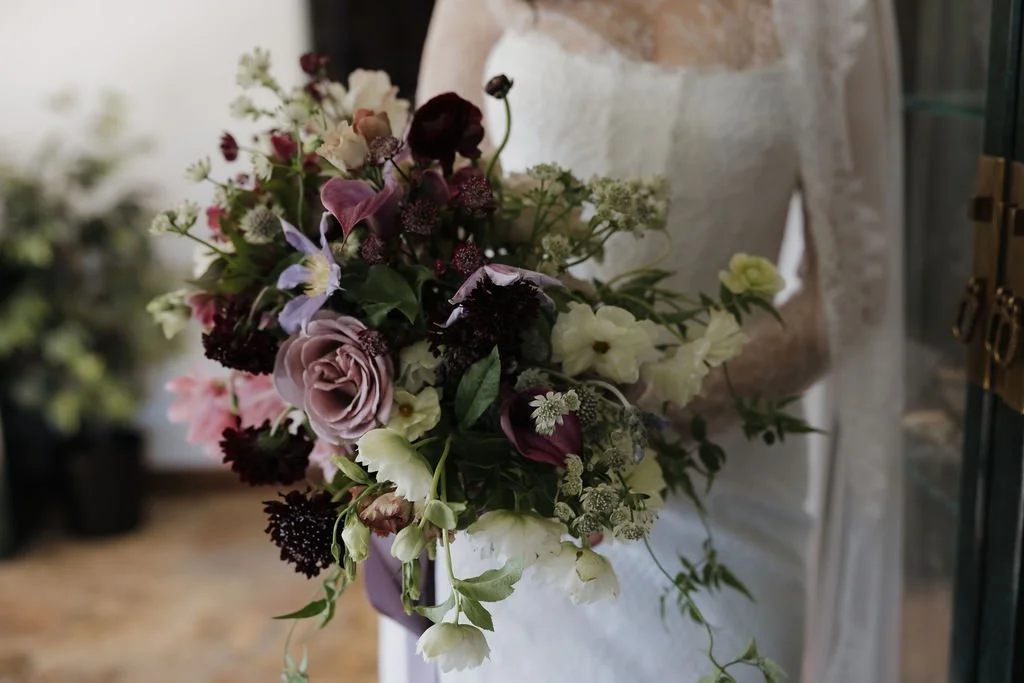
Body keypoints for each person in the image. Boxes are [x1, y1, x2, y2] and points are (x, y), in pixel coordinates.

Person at [378, 1, 904, 681]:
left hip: (725, 498)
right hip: (518, 492)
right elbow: (426, 222)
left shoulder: (831, 17)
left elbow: (849, 288)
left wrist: (659, 394)